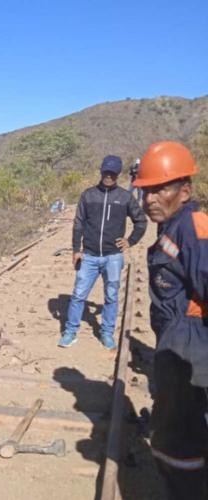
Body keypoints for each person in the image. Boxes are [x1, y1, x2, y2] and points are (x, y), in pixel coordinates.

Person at [133, 141, 208, 499]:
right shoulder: (172, 229)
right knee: (178, 434)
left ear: (185, 190)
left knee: (179, 442)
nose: (149, 198)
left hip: (191, 352)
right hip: (180, 348)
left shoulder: (193, 229)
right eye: (146, 190)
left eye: (160, 188)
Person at [58, 155, 147, 349]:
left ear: (117, 174)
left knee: (111, 296)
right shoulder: (88, 195)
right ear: (101, 171)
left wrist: (130, 241)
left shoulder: (124, 197)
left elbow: (141, 221)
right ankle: (70, 332)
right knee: (78, 295)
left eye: (113, 173)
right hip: (89, 255)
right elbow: (78, 223)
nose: (109, 176)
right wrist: (76, 249)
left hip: (113, 257)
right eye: (106, 172)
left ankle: (107, 333)